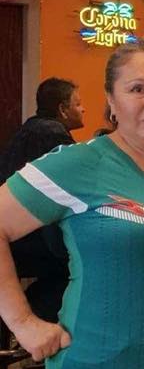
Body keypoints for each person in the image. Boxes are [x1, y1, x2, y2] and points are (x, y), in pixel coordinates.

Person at [0, 38, 144, 369]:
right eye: (137, 89)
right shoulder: (79, 164)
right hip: (97, 363)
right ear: (111, 99)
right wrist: (23, 323)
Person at [0, 78, 85, 322]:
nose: (83, 109)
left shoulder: (25, 131)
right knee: (82, 268)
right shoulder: (54, 138)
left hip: (17, 242)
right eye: (78, 104)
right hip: (34, 243)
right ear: (62, 109)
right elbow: (74, 190)